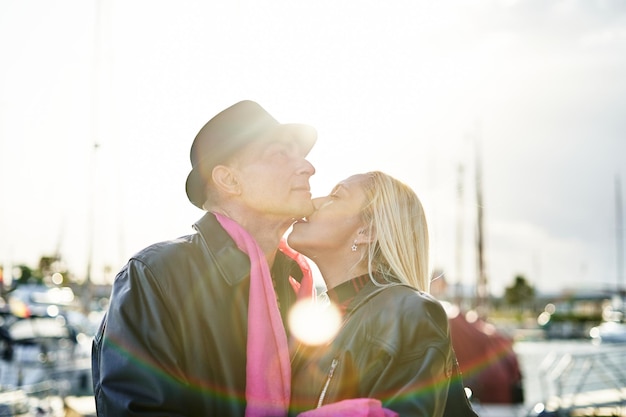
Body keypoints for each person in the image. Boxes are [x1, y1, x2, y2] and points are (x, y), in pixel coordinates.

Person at [91, 100, 318, 416]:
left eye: (302, 156)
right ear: (229, 180)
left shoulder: (295, 283)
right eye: (280, 154)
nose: (308, 167)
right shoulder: (157, 275)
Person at [286, 171, 478, 417]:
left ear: (366, 232)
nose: (314, 202)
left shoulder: (410, 313)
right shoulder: (318, 318)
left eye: (336, 196)